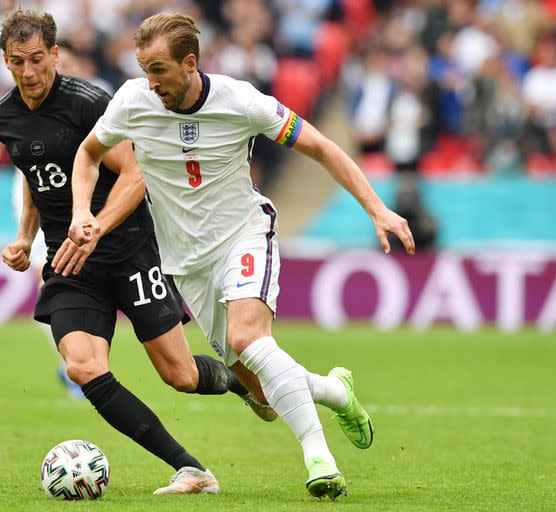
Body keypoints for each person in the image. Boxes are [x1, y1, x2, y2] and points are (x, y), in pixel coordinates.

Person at [66, 12, 416, 500]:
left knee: (248, 336)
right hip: (187, 263)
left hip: (244, 235)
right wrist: (83, 209)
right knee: (260, 390)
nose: (151, 81)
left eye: (160, 69)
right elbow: (87, 153)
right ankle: (336, 391)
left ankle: (319, 459)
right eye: (144, 68)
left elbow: (320, 146)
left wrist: (377, 209)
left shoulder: (241, 101)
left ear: (190, 63)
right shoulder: (132, 101)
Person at [0, 9, 274, 496]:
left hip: (130, 251)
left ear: (55, 54)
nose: (28, 72)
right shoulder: (5, 119)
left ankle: (236, 382)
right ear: (6, 63)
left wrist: (96, 227)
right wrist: (23, 236)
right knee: (82, 366)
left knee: (180, 375)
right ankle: (191, 469)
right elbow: (39, 180)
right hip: (70, 260)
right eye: (17, 62)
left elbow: (135, 174)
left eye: (37, 59)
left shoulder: (90, 104)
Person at [0, 38, 90, 398]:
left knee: (85, 275)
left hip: (84, 195)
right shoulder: (22, 102)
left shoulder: (90, 101)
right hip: (33, 193)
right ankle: (72, 361)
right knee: (50, 274)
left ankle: (82, 358)